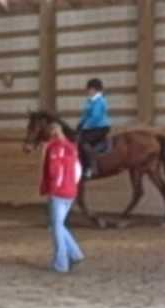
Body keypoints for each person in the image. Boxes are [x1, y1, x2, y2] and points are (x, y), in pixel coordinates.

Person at [40, 123, 84, 273]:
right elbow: (78, 170)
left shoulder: (52, 150)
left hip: (58, 192)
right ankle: (75, 253)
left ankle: (62, 263)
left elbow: (53, 171)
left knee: (56, 227)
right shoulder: (72, 147)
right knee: (58, 224)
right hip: (71, 191)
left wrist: (52, 188)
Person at [77, 78, 111, 179]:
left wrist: (85, 126)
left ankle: (91, 168)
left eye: (89, 89)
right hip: (92, 127)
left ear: (95, 90)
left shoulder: (100, 101)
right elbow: (86, 114)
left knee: (83, 141)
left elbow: (95, 117)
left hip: (101, 127)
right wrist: (80, 124)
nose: (87, 91)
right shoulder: (90, 101)